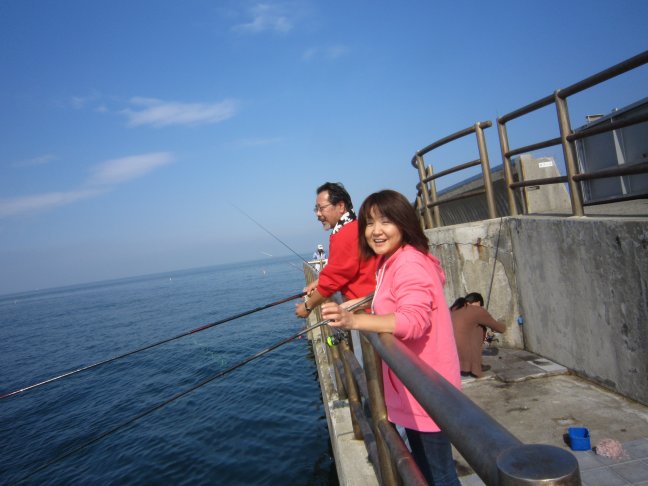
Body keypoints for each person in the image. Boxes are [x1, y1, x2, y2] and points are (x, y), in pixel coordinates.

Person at [321, 189, 461, 486]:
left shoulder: (408, 263)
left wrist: (353, 320)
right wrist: (358, 303)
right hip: (418, 388)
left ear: (404, 222)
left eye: (386, 221)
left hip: (426, 390)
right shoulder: (395, 259)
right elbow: (396, 295)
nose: (376, 231)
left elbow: (413, 322)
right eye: (369, 223)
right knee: (425, 471)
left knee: (439, 477)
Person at [295, 182, 377, 318]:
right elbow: (341, 268)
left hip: (368, 313)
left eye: (321, 208)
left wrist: (307, 306)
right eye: (316, 209)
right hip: (371, 305)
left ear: (340, 206)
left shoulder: (345, 234)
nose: (318, 214)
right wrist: (318, 282)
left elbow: (332, 280)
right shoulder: (355, 227)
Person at [450, 292, 506, 378]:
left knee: (472, 328)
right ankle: (475, 366)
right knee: (479, 329)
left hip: (450, 350)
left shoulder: (454, 308)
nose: (481, 307)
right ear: (478, 302)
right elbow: (499, 328)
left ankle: (469, 365)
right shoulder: (476, 310)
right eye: (481, 305)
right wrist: (504, 324)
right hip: (463, 348)